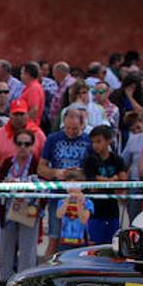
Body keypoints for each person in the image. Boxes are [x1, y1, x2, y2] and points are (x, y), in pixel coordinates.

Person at [39, 107, 91, 257]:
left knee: (82, 239)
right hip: (59, 195)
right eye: (67, 128)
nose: (71, 132)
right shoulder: (53, 139)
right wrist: (57, 173)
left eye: (75, 128)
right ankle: (45, 274)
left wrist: (80, 174)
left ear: (82, 125)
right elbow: (41, 168)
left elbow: (94, 169)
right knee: (54, 238)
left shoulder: (88, 140)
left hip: (82, 196)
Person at [0, 131, 40, 285]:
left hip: (29, 207)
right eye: (19, 143)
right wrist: (6, 183)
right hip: (8, 207)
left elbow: (43, 185)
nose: (22, 147)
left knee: (27, 245)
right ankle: (5, 277)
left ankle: (25, 278)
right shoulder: (8, 162)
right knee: (6, 243)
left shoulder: (36, 162)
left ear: (32, 146)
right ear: (14, 145)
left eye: (26, 144)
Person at [81, 125, 128, 244]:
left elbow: (122, 182)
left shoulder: (117, 159)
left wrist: (105, 181)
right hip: (94, 209)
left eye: (98, 141)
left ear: (108, 141)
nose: (95, 145)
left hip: (112, 209)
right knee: (94, 244)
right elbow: (92, 185)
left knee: (113, 244)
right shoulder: (89, 160)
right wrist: (111, 181)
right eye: (93, 142)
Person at [54, 185, 93, 251]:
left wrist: (79, 203)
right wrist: (66, 202)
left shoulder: (88, 202)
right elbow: (59, 215)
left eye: (75, 186)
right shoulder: (62, 201)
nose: (72, 188)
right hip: (65, 240)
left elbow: (83, 220)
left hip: (81, 241)